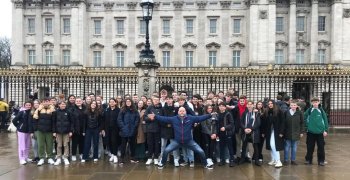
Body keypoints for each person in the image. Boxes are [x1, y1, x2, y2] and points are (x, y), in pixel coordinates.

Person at [147, 107, 214, 170]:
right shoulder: (174, 119)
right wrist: (155, 116)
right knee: (166, 151)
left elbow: (200, 118)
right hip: (177, 141)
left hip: (189, 141)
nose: (182, 112)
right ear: (178, 112)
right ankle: (162, 163)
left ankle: (205, 164)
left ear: (185, 112)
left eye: (183, 111)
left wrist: (210, 115)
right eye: (180, 111)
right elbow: (164, 118)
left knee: (201, 151)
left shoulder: (190, 118)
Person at [304, 97, 328, 166]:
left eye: (316, 102)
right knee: (310, 147)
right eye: (313, 102)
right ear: (312, 103)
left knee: (321, 147)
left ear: (319, 102)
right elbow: (304, 118)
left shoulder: (321, 110)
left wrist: (325, 130)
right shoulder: (309, 110)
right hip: (310, 132)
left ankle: (321, 161)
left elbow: (325, 120)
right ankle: (308, 160)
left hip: (320, 132)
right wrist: (306, 127)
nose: (315, 103)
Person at [32, 97, 56, 166]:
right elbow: (35, 120)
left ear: (49, 102)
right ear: (42, 102)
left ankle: (49, 157)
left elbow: (54, 121)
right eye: (44, 101)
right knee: (40, 145)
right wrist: (36, 129)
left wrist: (54, 131)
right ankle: (41, 158)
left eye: (47, 101)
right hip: (40, 131)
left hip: (49, 130)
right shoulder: (38, 110)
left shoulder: (53, 110)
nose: (46, 102)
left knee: (50, 145)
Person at [262, 100, 285, 168]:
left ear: (274, 104)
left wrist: (281, 132)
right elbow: (264, 122)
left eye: (271, 103)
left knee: (273, 145)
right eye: (269, 104)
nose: (270, 105)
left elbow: (283, 122)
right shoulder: (267, 112)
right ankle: (274, 159)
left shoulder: (279, 111)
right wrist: (263, 132)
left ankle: (278, 161)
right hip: (269, 131)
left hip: (277, 131)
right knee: (271, 146)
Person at [117, 98, 140, 164]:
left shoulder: (135, 110)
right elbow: (119, 120)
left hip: (133, 130)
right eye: (127, 102)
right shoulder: (122, 110)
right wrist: (123, 127)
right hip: (124, 131)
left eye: (129, 101)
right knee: (123, 145)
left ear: (131, 102)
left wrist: (134, 127)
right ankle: (122, 158)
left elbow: (137, 119)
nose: (128, 103)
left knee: (133, 145)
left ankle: (133, 157)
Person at [239, 100, 261, 166]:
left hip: (254, 132)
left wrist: (251, 129)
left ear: (253, 105)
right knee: (244, 146)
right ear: (246, 105)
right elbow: (241, 122)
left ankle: (256, 160)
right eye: (248, 104)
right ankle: (242, 159)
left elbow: (258, 123)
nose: (249, 106)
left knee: (255, 146)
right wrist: (244, 128)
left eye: (251, 104)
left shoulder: (256, 113)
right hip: (245, 131)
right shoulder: (244, 113)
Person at [160, 96, 180, 167]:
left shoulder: (176, 109)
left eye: (170, 99)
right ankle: (162, 159)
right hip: (164, 130)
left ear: (172, 100)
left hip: (173, 130)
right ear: (165, 100)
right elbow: (161, 118)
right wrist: (166, 124)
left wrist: (171, 125)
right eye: (167, 99)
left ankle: (176, 159)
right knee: (163, 146)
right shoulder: (162, 109)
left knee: (174, 146)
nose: (169, 100)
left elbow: (177, 118)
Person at [283, 100, 304, 165]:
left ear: (297, 106)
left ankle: (293, 160)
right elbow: (283, 123)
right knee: (287, 147)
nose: (293, 106)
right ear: (290, 105)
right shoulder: (286, 112)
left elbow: (302, 123)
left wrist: (301, 132)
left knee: (294, 147)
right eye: (292, 105)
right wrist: (283, 131)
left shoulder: (300, 113)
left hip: (296, 132)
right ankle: (286, 160)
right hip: (287, 132)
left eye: (294, 105)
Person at [144, 95, 163, 165]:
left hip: (158, 129)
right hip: (150, 129)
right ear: (153, 100)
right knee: (150, 144)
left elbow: (163, 118)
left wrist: (157, 118)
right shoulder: (149, 108)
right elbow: (145, 118)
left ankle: (155, 158)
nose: (156, 101)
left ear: (159, 100)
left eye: (157, 100)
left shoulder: (161, 108)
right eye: (154, 100)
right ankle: (149, 158)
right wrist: (150, 118)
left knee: (157, 144)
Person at [53, 101, 73, 165]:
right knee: (59, 145)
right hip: (58, 132)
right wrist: (54, 131)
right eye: (62, 104)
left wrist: (71, 131)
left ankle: (65, 157)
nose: (63, 105)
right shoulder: (56, 112)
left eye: (64, 104)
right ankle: (58, 158)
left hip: (66, 131)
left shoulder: (68, 112)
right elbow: (53, 122)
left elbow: (71, 122)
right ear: (59, 105)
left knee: (66, 145)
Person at [216, 102, 235, 167]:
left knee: (230, 147)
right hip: (220, 134)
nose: (221, 107)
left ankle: (232, 160)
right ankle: (222, 160)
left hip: (227, 133)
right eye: (220, 106)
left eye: (222, 106)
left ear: (225, 107)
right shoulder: (217, 114)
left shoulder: (228, 114)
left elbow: (232, 124)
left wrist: (225, 128)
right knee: (221, 147)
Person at [104, 98, 121, 164]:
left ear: (115, 103)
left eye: (113, 102)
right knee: (109, 142)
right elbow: (104, 120)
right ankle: (112, 154)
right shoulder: (107, 110)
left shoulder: (118, 110)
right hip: (108, 129)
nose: (111, 103)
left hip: (115, 129)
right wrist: (103, 129)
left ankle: (115, 155)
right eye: (110, 102)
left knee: (114, 142)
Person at [71, 97, 86, 162]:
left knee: (81, 142)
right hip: (75, 129)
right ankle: (73, 154)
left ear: (82, 101)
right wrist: (72, 129)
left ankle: (81, 153)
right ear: (75, 102)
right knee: (74, 143)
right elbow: (71, 120)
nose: (78, 102)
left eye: (79, 101)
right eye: (77, 101)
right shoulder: (72, 109)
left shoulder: (85, 109)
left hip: (82, 129)